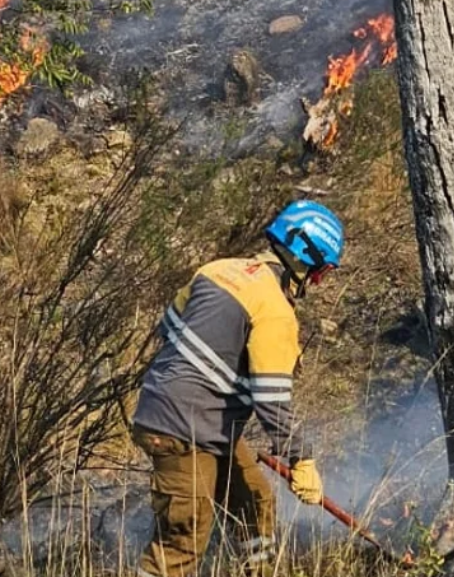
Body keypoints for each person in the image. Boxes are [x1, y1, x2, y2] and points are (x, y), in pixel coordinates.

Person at [130, 200, 345, 577]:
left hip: (186, 419)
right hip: (185, 431)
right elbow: (272, 400)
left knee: (255, 501)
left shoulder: (217, 269)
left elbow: (168, 328)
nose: (316, 283)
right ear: (306, 260)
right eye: (320, 274)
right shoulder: (275, 310)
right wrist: (301, 459)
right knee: (183, 541)